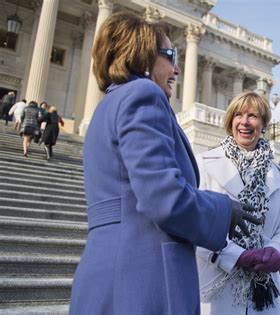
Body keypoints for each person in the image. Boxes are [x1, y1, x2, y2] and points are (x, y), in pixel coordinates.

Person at [69, 12, 260, 314]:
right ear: (142, 53)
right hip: (143, 279)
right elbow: (165, 199)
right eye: (170, 55)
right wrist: (223, 209)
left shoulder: (107, 105)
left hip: (107, 273)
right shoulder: (144, 95)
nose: (177, 68)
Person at [196, 91, 280, 314]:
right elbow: (195, 223)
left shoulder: (277, 172)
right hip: (217, 287)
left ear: (264, 124)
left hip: (263, 290)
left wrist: (277, 250)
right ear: (230, 121)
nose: (245, 122)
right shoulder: (204, 163)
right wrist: (234, 255)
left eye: (253, 116)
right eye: (238, 115)